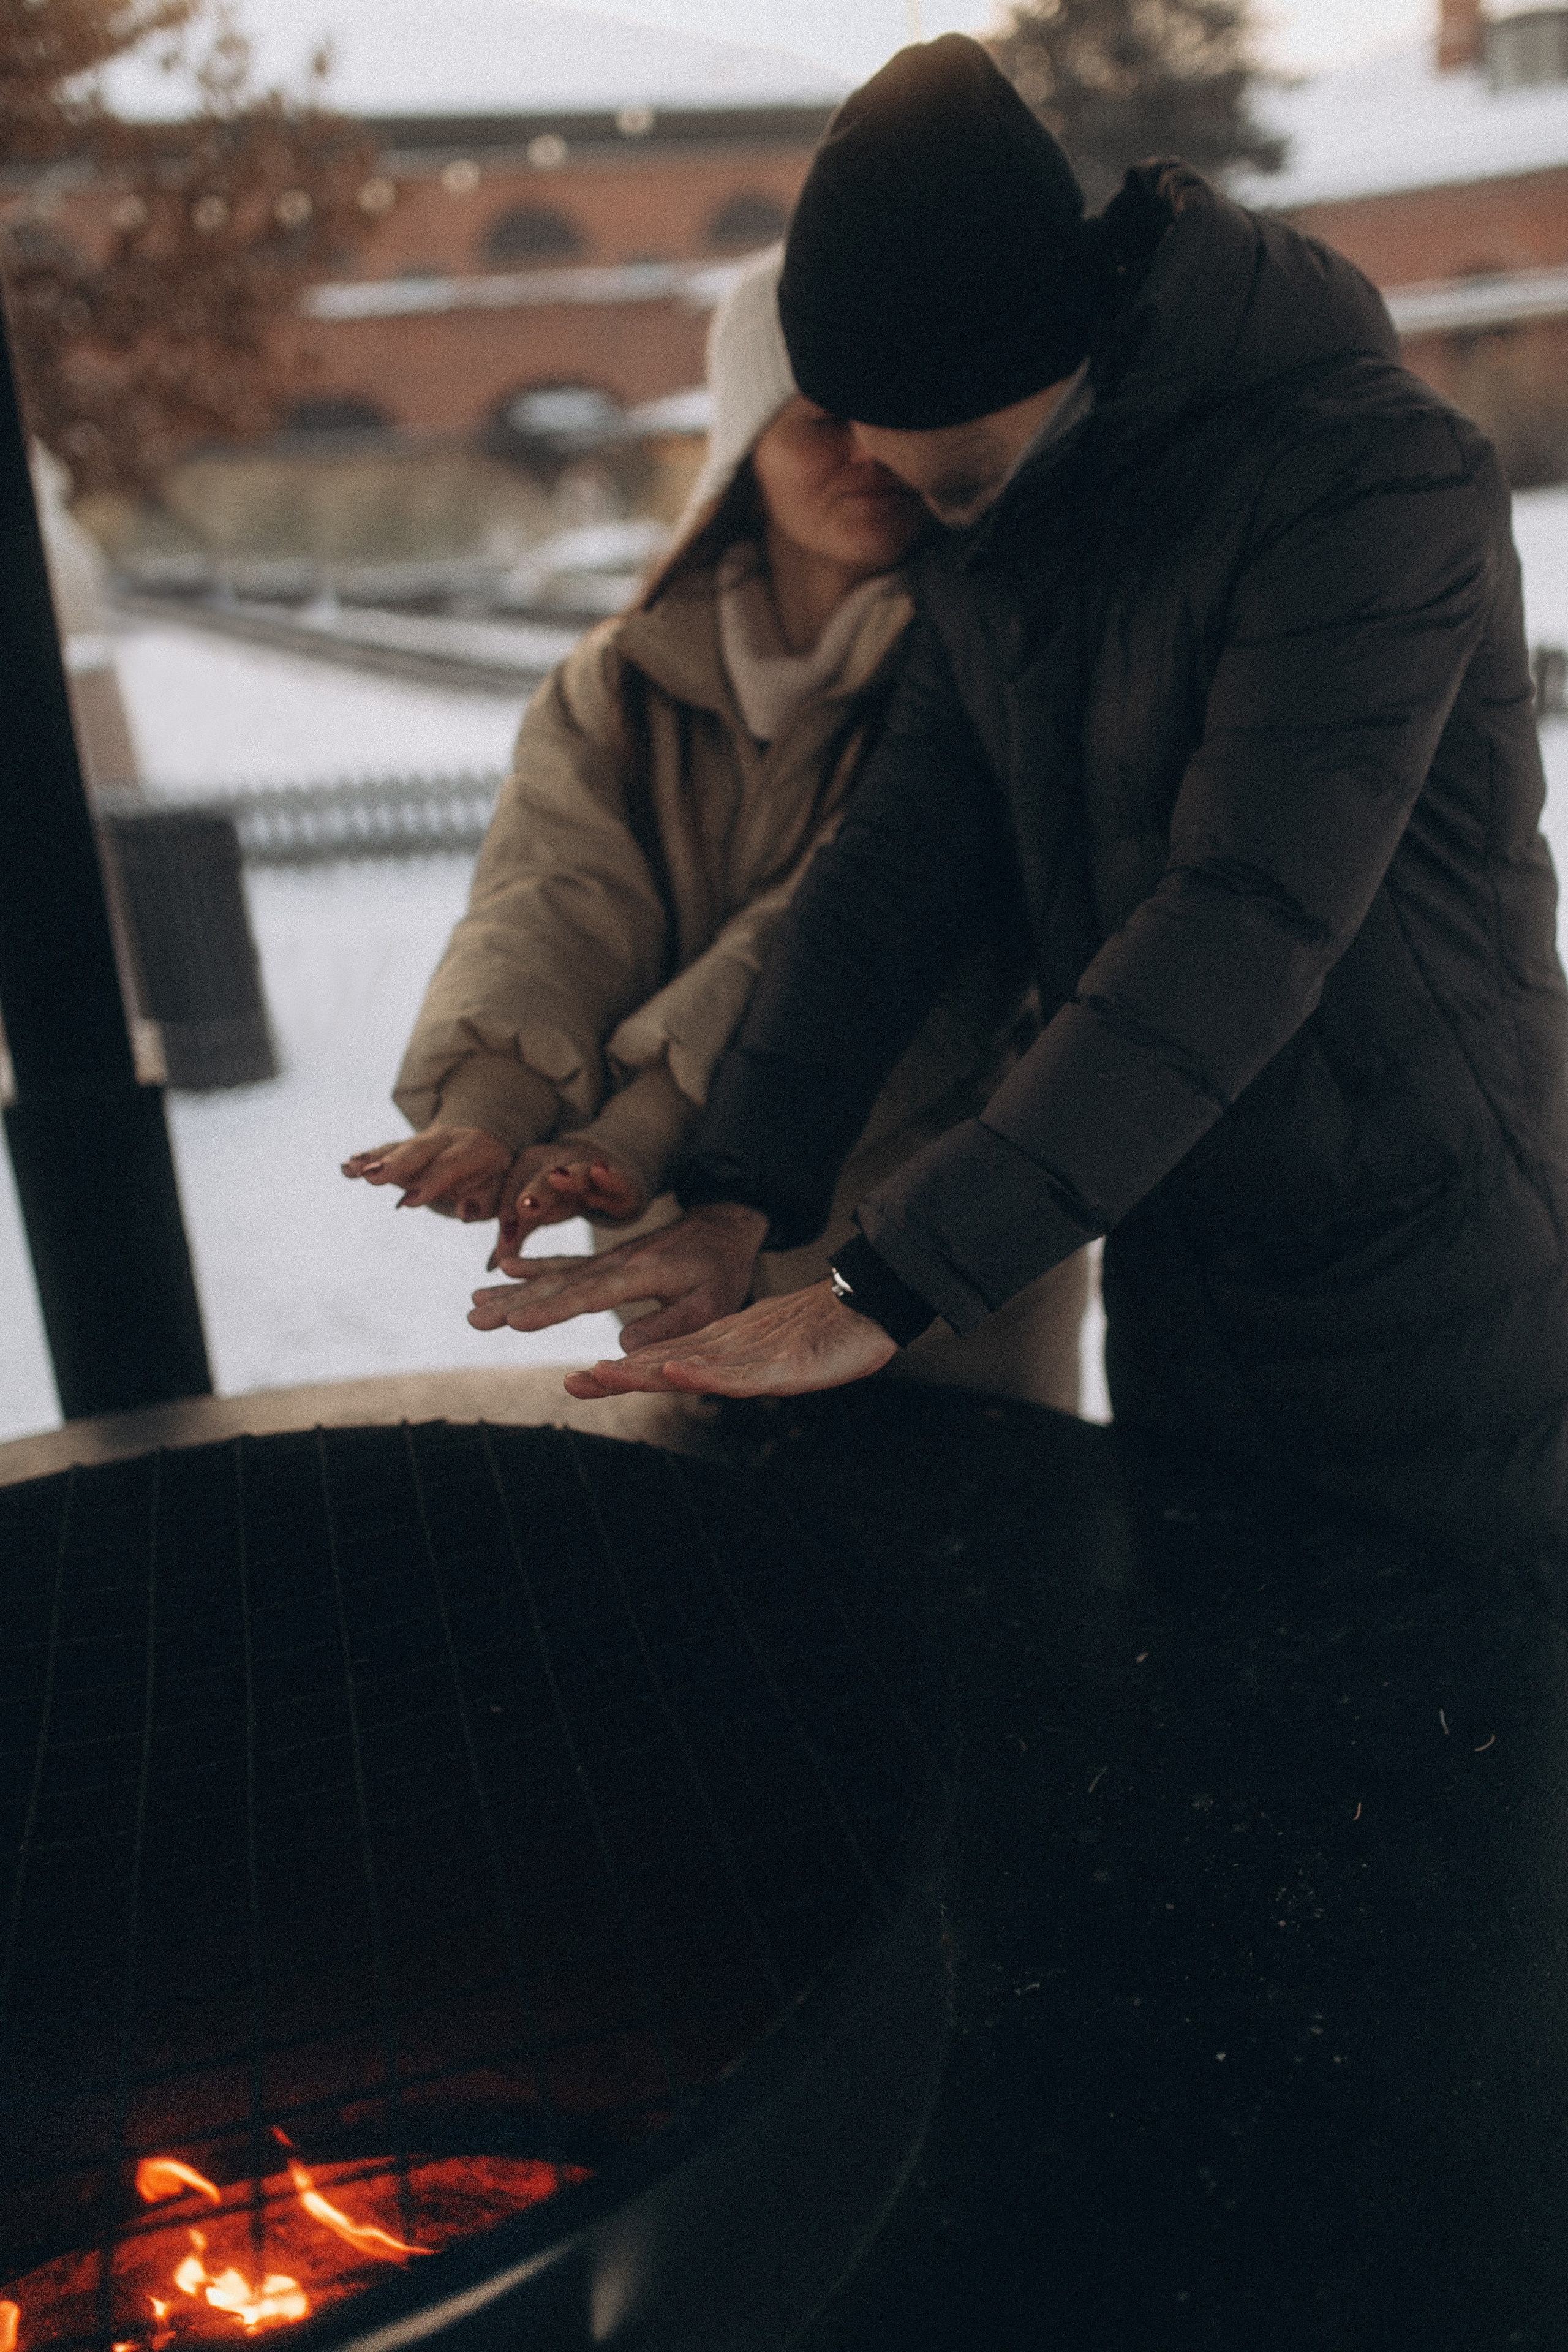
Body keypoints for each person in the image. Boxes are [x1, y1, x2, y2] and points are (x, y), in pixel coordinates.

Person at [472, 37, 1568, 1566]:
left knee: (1471, 1748)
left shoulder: (1371, 481)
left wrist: (887, 1284)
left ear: (1059, 361)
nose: (933, 524)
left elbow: (1240, 920)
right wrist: (734, 1194)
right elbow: (889, 879)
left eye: (963, 483)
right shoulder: (1007, 531)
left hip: (1437, 1281)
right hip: (1182, 1261)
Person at [343, 248, 1090, 1411]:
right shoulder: (618, 684)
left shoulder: (985, 672)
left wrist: (639, 1133)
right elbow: (552, 896)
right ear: (744, 442)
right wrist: (492, 1104)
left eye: (889, 417)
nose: (865, 452)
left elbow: (843, 943)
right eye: (818, 422)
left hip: (923, 1270)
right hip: (660, 1251)